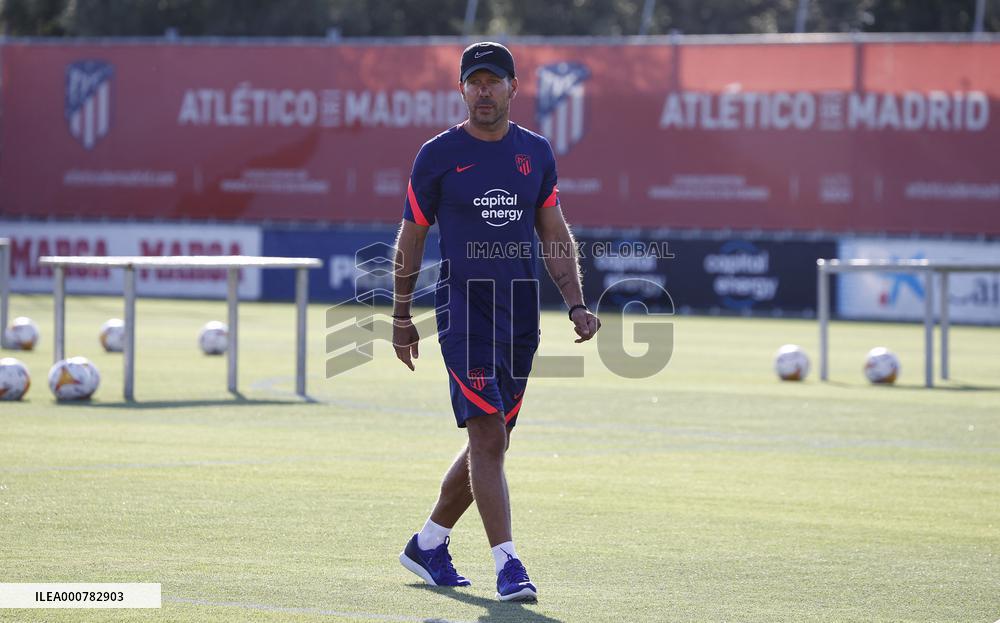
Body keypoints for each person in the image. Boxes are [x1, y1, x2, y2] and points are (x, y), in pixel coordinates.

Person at [392, 41, 600, 603]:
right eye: (474, 82)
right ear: (462, 90)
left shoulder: (536, 152)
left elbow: (553, 234)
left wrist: (577, 303)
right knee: (486, 433)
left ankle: (429, 543)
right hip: (463, 313)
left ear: (513, 87)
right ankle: (508, 564)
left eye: (494, 81)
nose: (483, 91)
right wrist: (400, 314)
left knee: (495, 440)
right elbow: (411, 236)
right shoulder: (437, 155)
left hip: (520, 319)